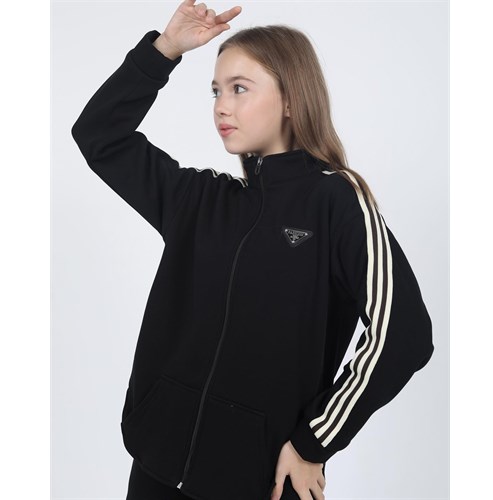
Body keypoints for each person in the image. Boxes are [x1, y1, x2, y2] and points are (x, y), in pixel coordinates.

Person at [71, 1, 434, 499]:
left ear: (291, 99)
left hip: (264, 481)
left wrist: (313, 442)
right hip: (157, 466)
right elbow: (99, 135)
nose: (221, 106)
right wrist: (165, 49)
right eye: (216, 90)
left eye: (240, 88)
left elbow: (404, 335)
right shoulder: (200, 201)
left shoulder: (337, 202)